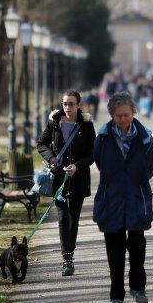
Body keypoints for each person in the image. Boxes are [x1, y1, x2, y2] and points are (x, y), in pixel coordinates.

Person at [93, 91, 153, 303]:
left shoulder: (145, 137)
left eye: (126, 115)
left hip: (136, 198)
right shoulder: (103, 138)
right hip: (111, 199)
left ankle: (138, 288)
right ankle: (116, 294)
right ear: (112, 115)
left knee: (137, 246)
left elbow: (150, 168)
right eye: (118, 115)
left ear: (133, 113)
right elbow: (100, 163)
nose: (123, 119)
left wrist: (133, 180)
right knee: (114, 248)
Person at [36, 89, 97, 277]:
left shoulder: (86, 125)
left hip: (78, 179)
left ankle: (70, 254)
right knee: (64, 218)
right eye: (65, 104)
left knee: (74, 220)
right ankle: (66, 260)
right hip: (58, 179)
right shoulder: (54, 122)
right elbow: (41, 144)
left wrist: (78, 166)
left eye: (71, 104)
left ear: (78, 105)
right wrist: (53, 160)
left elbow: (93, 153)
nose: (67, 107)